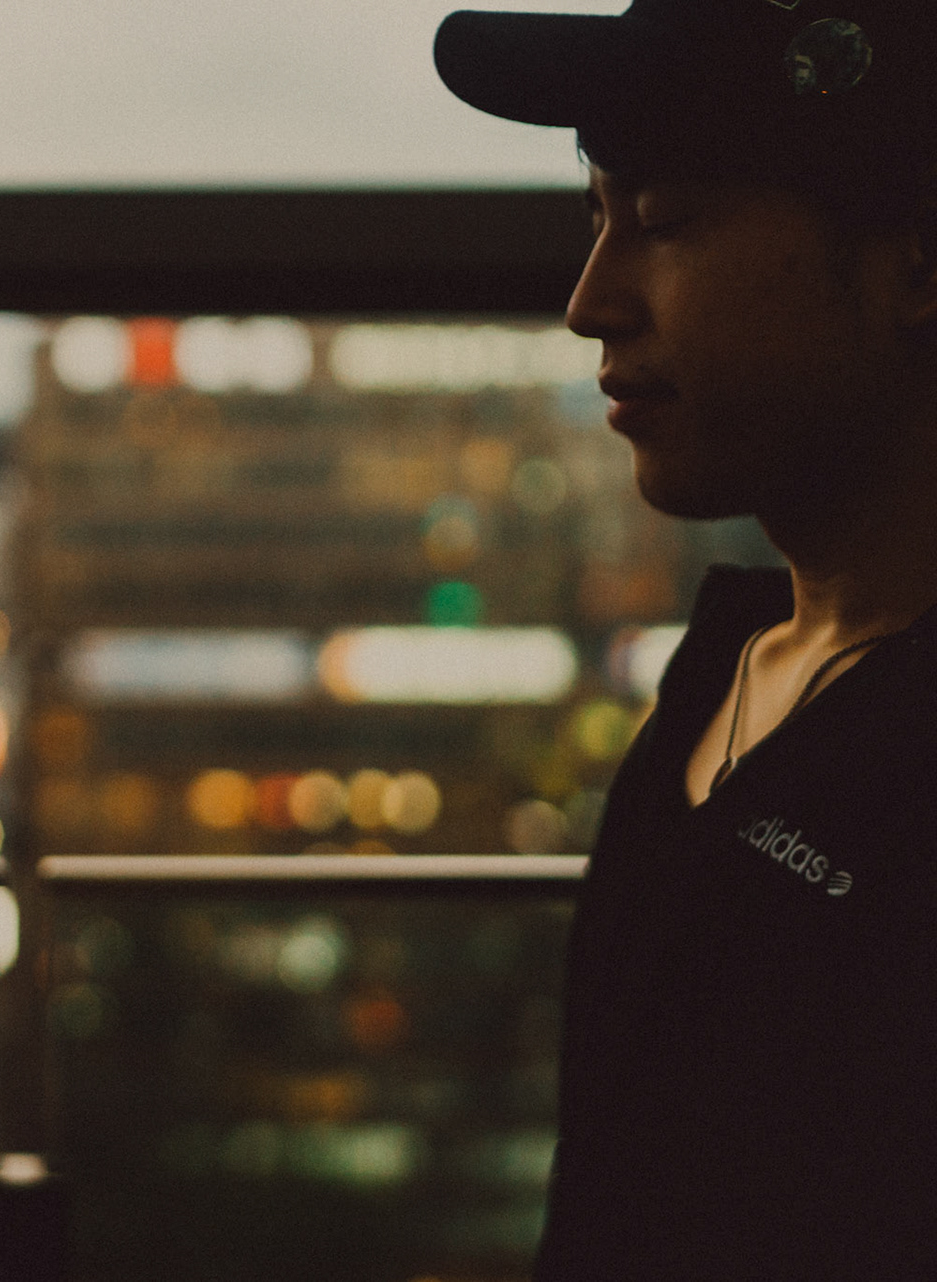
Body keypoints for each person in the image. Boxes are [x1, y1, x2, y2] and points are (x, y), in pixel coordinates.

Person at [433, 0, 937, 1275]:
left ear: (916, 265)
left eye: (666, 223)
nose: (592, 302)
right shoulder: (726, 669)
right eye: (594, 216)